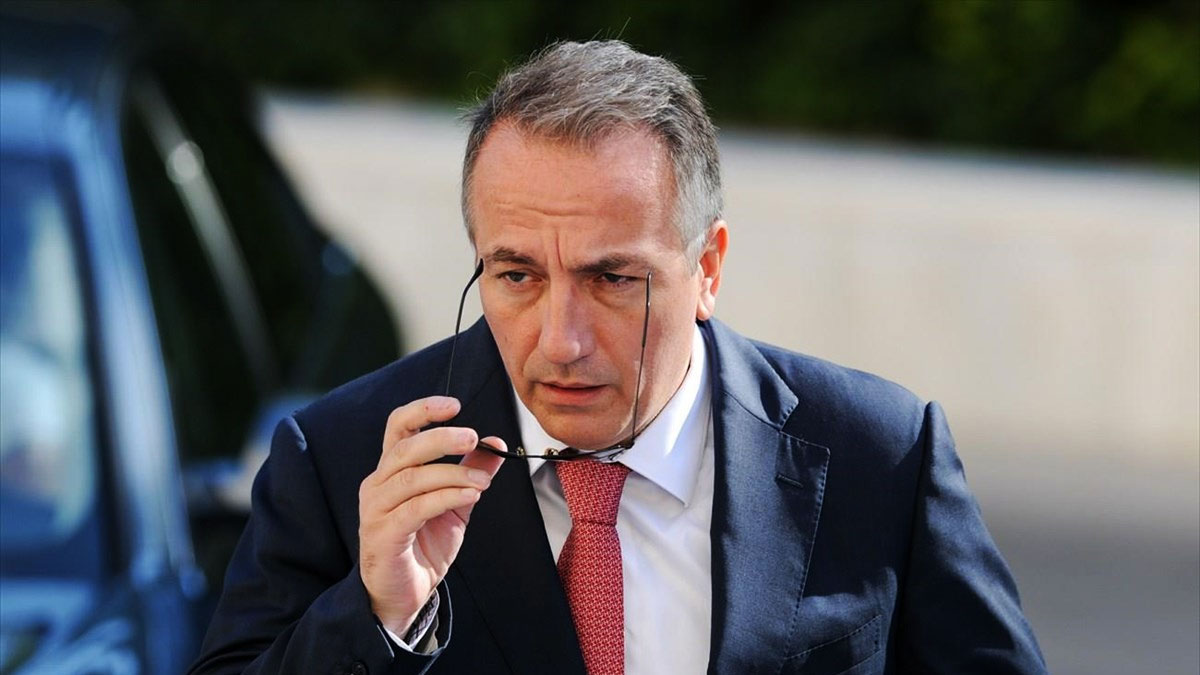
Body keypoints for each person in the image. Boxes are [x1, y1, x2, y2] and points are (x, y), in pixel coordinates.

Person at [191, 40, 1046, 674]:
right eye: (517, 275)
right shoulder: (340, 462)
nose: (560, 339)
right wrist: (375, 614)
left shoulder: (882, 455)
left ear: (707, 269)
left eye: (611, 279)